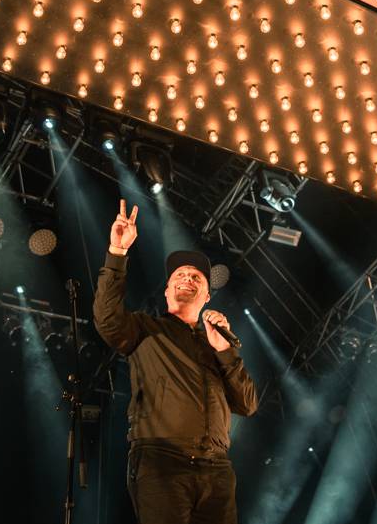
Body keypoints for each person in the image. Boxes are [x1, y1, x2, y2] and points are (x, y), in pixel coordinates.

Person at [93, 199, 258, 524]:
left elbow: (248, 404)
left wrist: (223, 349)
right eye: (180, 274)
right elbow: (107, 320)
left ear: (208, 295)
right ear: (168, 290)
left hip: (217, 468)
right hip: (162, 458)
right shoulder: (145, 329)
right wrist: (117, 252)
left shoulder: (218, 341)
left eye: (197, 276)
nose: (188, 278)